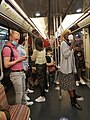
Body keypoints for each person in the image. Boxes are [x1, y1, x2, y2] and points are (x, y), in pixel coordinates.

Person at [2, 30, 32, 105]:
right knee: (19, 94)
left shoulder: (14, 48)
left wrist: (21, 59)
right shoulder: (7, 49)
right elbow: (6, 64)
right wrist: (19, 60)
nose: (17, 41)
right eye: (16, 39)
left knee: (22, 91)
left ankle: (24, 105)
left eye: (18, 39)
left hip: (20, 72)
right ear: (10, 38)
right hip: (15, 74)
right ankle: (19, 111)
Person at [59, 29, 82, 110]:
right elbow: (65, 55)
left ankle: (74, 96)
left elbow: (71, 53)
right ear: (65, 35)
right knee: (70, 86)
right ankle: (73, 101)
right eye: (68, 34)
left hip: (71, 68)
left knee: (72, 84)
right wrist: (71, 46)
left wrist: (73, 48)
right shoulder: (63, 44)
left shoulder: (68, 44)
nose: (69, 35)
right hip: (66, 69)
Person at [17, 36, 34, 105]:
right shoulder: (19, 49)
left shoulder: (21, 48)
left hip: (25, 66)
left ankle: (26, 92)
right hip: (22, 67)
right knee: (20, 89)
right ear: (23, 41)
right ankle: (24, 97)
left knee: (25, 80)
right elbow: (19, 59)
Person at [31, 38, 47, 102]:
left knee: (40, 80)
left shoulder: (35, 51)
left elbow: (32, 59)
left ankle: (42, 96)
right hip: (44, 64)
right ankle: (46, 88)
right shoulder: (44, 49)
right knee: (44, 77)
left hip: (39, 66)